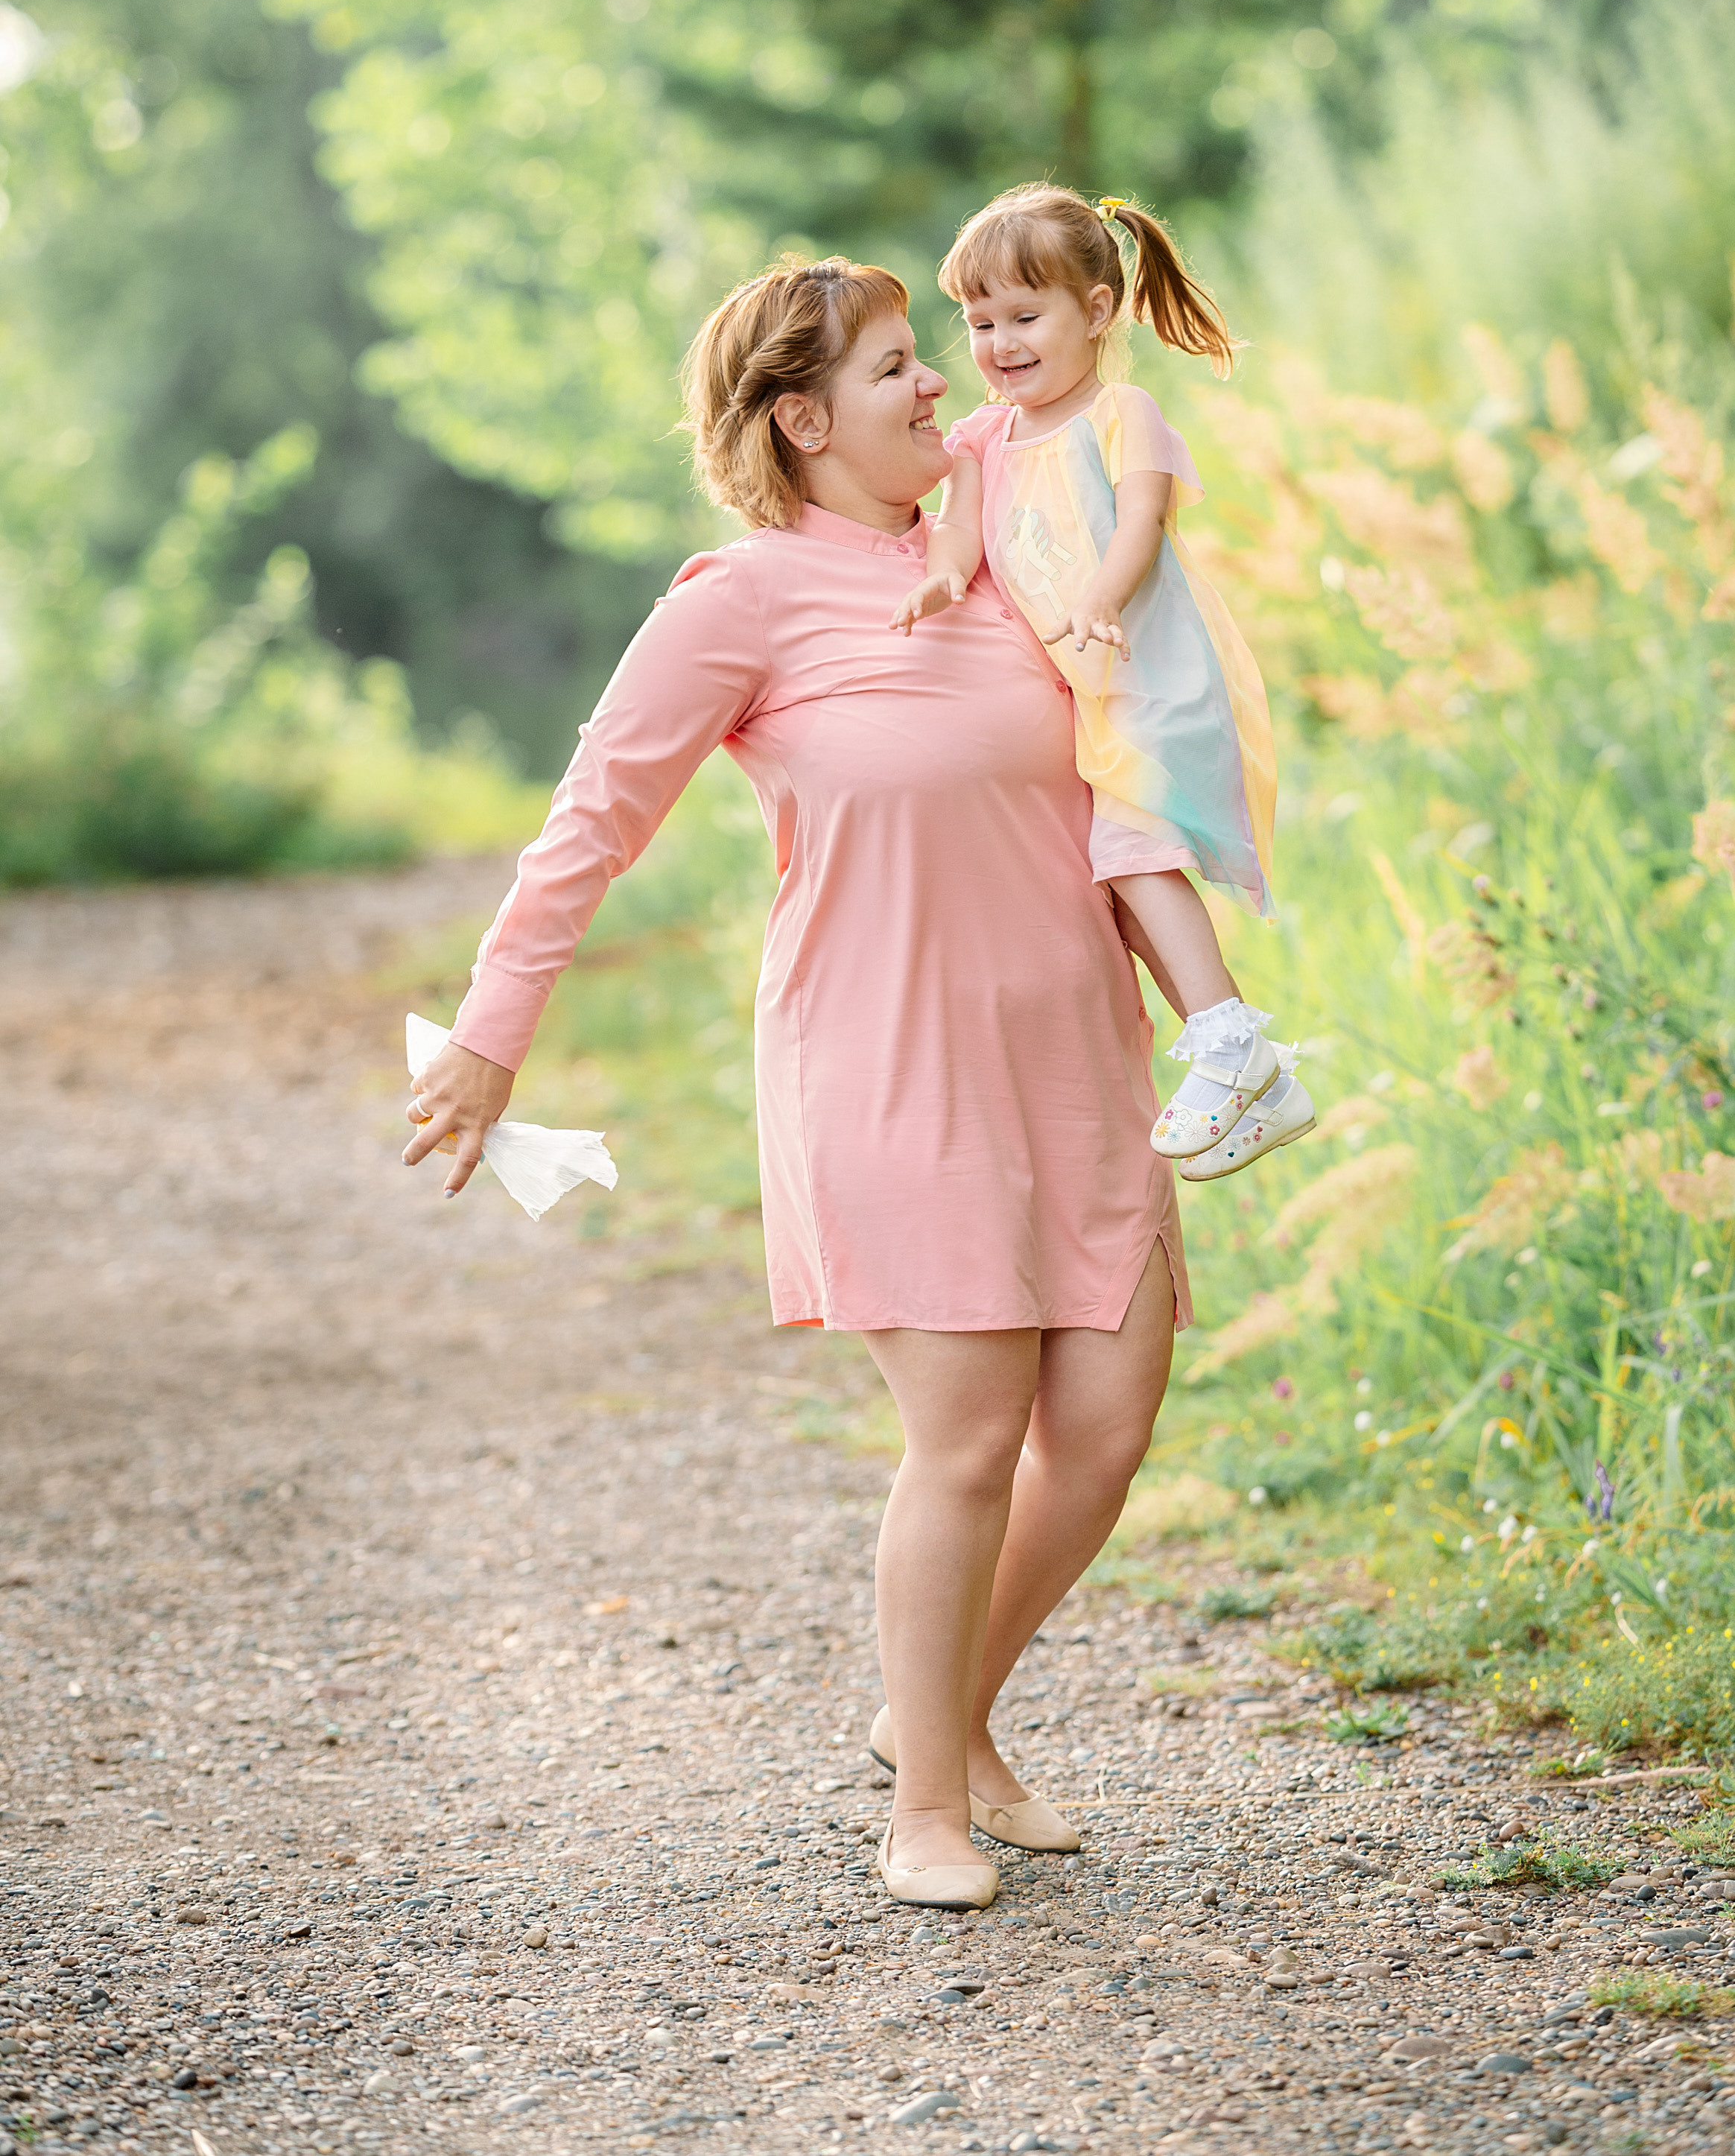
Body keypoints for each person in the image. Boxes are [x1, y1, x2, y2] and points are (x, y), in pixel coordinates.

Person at [404, 255, 1188, 1912]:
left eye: (933, 362)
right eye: (901, 367)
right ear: (801, 415)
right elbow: (592, 817)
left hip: (1074, 1050)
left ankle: (946, 1718)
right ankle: (924, 1807)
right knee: (970, 1440)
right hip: (886, 1064)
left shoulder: (1003, 532)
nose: (938, 387)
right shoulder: (740, 599)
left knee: (1105, 1432)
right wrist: (490, 1032)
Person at [892, 183, 1315, 1182]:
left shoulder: (1119, 412)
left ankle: (1226, 1037)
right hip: (1090, 694)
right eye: (979, 321)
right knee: (1117, 880)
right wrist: (946, 577)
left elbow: (1139, 522)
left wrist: (1097, 597)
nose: (997, 343)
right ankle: (1266, 1085)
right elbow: (954, 521)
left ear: (1096, 310)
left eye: (1024, 316)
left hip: (1148, 674)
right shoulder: (986, 440)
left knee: (1132, 855)